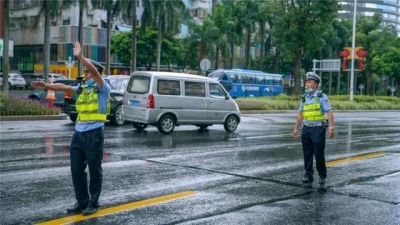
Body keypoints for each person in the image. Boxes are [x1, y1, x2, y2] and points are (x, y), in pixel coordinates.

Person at [30, 41, 111, 216]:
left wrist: (80, 57)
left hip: (94, 133)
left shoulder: (102, 87)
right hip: (79, 133)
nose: (85, 73)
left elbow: (96, 72)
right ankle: (82, 201)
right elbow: (65, 87)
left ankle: (93, 202)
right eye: (84, 71)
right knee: (76, 169)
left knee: (94, 169)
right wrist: (46, 86)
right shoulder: (82, 88)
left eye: (86, 71)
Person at [292, 72, 334, 186]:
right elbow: (300, 114)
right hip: (306, 128)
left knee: (318, 153)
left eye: (310, 82)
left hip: (318, 128)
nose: (307, 84)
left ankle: (322, 175)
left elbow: (329, 112)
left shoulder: (321, 97)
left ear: (315, 84)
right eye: (306, 81)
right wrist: (296, 127)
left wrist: (331, 127)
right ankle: (308, 174)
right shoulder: (304, 98)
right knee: (307, 153)